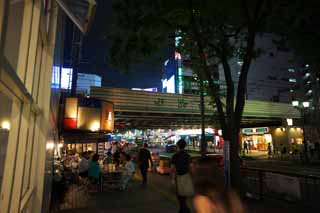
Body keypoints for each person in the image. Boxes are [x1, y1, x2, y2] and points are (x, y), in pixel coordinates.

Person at [171, 139, 191, 213]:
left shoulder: (175, 155)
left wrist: (172, 178)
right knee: (184, 194)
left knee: (179, 194)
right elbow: (190, 167)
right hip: (186, 176)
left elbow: (172, 168)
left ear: (177, 146)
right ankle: (183, 209)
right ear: (185, 146)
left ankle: (184, 209)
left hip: (178, 176)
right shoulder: (188, 155)